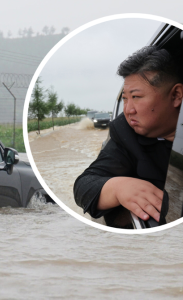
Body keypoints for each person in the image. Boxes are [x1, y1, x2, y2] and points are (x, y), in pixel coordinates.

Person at [74, 45, 183, 226]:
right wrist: (117, 188)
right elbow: (84, 186)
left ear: (176, 95)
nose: (128, 110)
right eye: (125, 98)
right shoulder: (125, 132)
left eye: (136, 97)